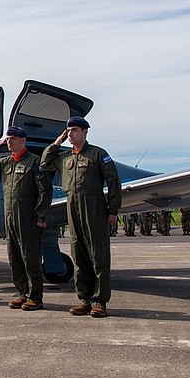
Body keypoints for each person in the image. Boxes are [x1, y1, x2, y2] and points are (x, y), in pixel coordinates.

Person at [40, 116, 121, 318]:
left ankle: (100, 301)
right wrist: (57, 142)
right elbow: (44, 162)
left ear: (85, 132)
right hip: (72, 206)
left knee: (98, 255)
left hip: (94, 206)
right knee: (79, 254)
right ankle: (84, 299)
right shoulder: (65, 157)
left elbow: (113, 181)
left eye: (75, 130)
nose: (71, 134)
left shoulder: (98, 154)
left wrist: (113, 210)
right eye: (68, 131)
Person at [0, 126, 51, 310]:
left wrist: (40, 215)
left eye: (13, 139)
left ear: (23, 141)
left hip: (28, 217)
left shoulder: (35, 162)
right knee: (14, 257)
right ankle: (22, 293)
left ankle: (35, 297)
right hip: (10, 216)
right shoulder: (5, 163)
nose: (9, 142)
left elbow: (45, 191)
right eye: (8, 139)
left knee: (30, 257)